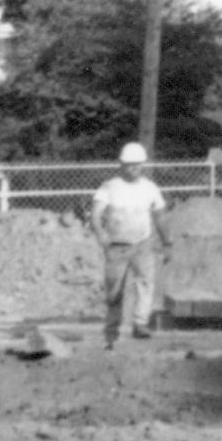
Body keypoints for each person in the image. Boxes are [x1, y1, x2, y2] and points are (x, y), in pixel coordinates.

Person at [89, 142, 170, 349]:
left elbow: (159, 216)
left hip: (143, 243)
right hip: (116, 246)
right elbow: (96, 215)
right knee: (114, 291)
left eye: (138, 164)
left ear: (143, 165)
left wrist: (167, 241)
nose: (134, 168)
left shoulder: (150, 188)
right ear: (122, 165)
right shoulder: (110, 187)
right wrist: (100, 233)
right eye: (130, 164)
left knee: (146, 283)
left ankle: (140, 323)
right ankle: (112, 329)